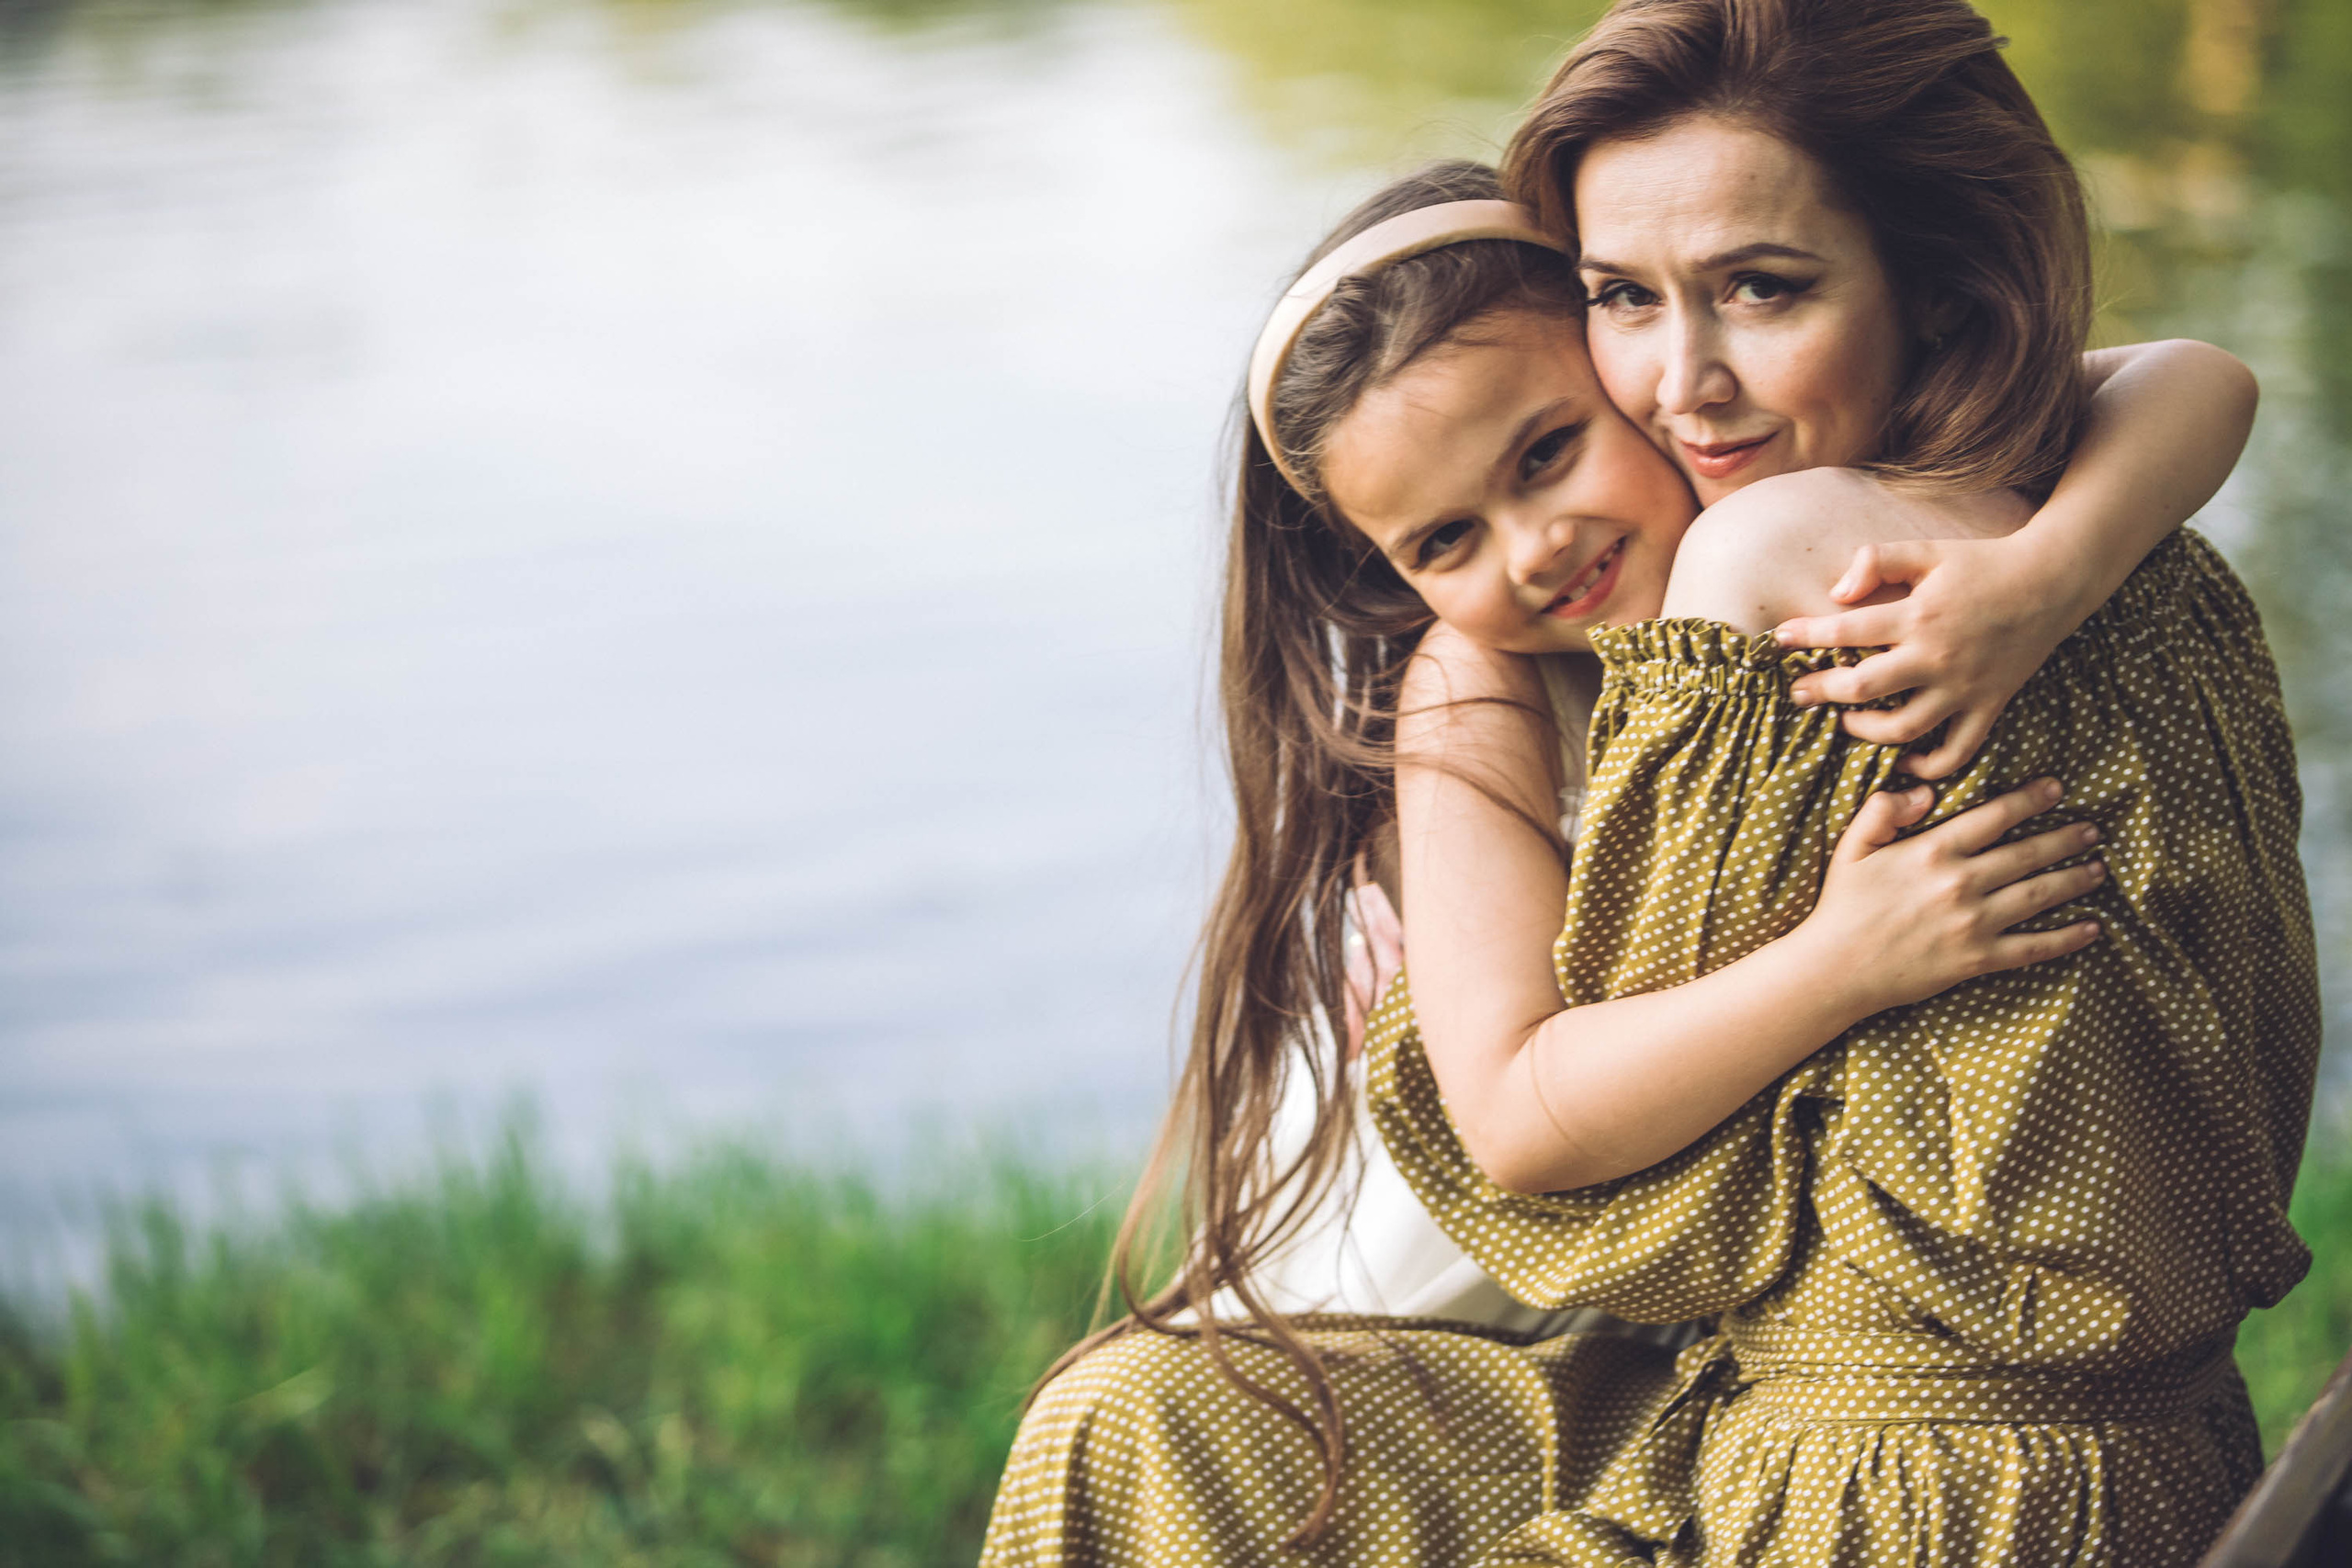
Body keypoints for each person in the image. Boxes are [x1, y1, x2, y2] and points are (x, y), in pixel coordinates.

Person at [980, 150, 2261, 1568]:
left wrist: (2045, 572)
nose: (1536, 550)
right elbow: (1520, 1122)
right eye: (1445, 538)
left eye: (1546, 452)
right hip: (1465, 1283)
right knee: (1135, 1423)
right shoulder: (1482, 688)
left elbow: (2192, 377)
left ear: (1627, 363)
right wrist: (1844, 960)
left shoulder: (1814, 547)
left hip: (1757, 1334)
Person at [1364, 2, 2319, 1563]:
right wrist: (2056, 563)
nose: (1682, 384)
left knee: (1149, 1439)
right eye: (1622, 297)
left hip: (1884, 1495)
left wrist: (1422, 987)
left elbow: (1566, 1145)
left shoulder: (1766, 561)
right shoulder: (2125, 551)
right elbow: (2194, 371)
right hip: (2163, 1452)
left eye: (1761, 289)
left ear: (1937, 275)